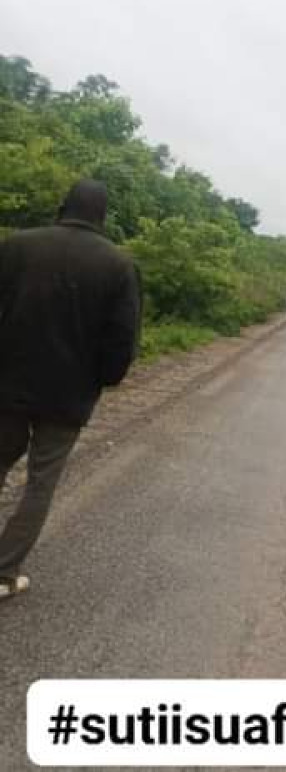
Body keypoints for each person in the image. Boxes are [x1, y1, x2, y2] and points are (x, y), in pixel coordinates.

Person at [0, 180, 141, 600]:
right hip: (67, 396)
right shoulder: (119, 266)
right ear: (102, 216)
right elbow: (121, 341)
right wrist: (103, 379)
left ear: (63, 207)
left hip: (6, 384)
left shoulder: (16, 246)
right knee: (41, 482)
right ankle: (4, 573)